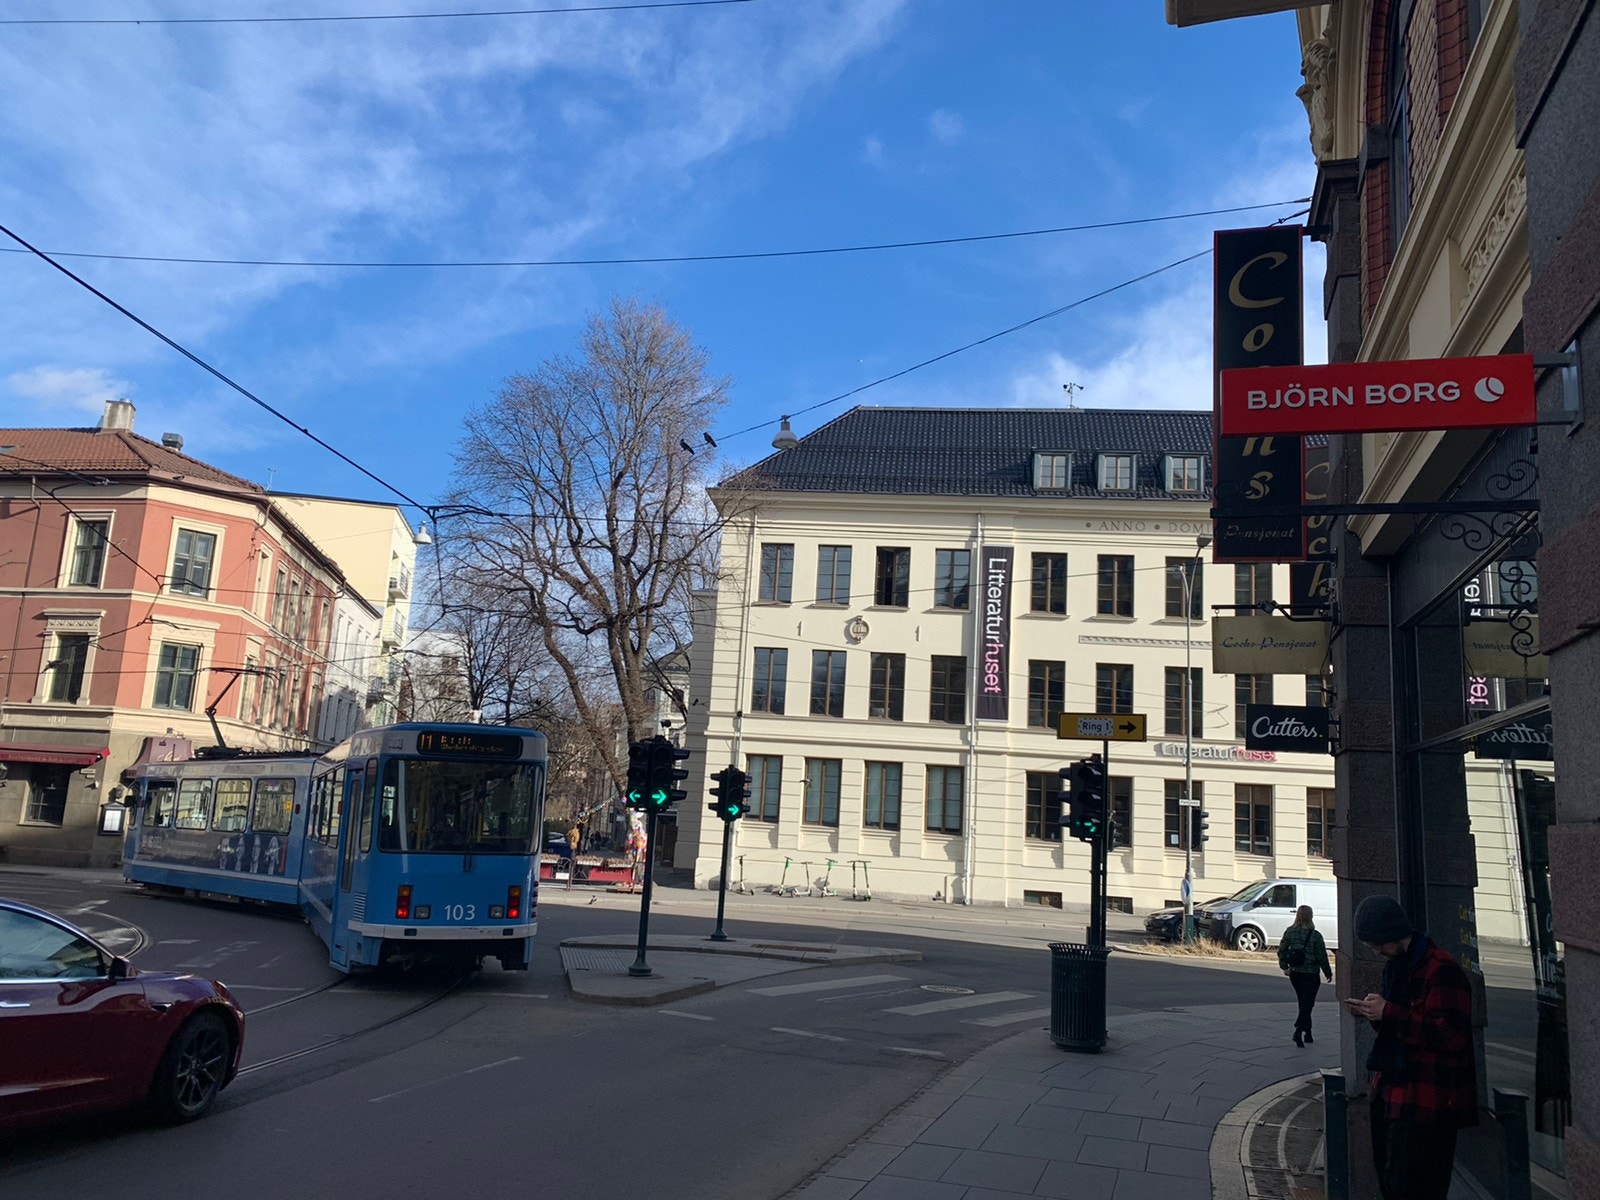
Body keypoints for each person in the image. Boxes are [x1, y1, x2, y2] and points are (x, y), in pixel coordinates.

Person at [1344, 894, 1477, 1200]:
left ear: (1393, 932)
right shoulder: (1398, 966)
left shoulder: (1441, 969)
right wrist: (1375, 1014)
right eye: (1370, 946)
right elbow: (1403, 1025)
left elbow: (1451, 1036)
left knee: (1416, 1188)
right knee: (1392, 1182)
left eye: (1378, 943)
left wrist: (1388, 1012)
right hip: (1394, 1094)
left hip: (1427, 1103)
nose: (1376, 950)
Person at [1277, 904, 1332, 1046]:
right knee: (1308, 1004)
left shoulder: (1289, 932)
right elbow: (1322, 956)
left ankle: (1308, 1033)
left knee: (1304, 1003)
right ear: (1311, 916)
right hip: (1311, 974)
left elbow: (1281, 950)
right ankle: (1298, 1030)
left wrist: (1284, 967)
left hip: (1295, 973)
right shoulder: (1316, 935)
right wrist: (1327, 972)